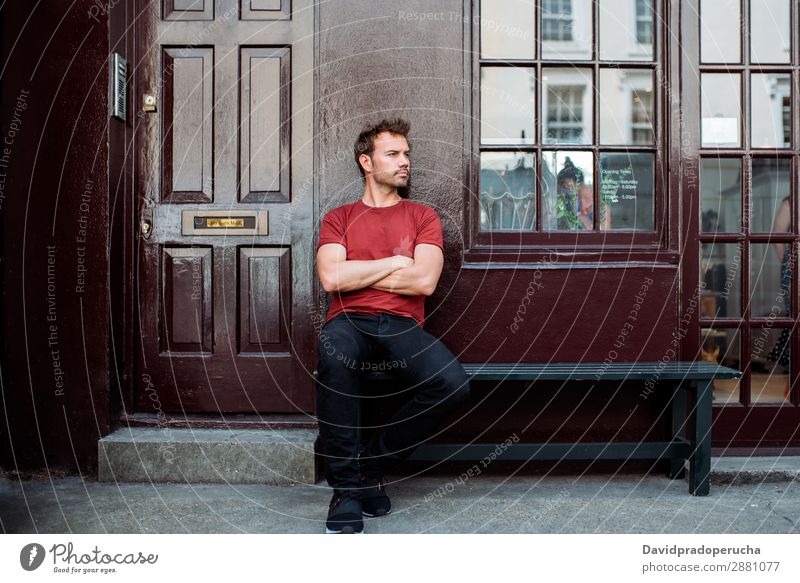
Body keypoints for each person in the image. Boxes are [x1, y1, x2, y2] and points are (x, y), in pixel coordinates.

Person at [315, 118, 470, 534]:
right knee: (333, 357)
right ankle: (346, 490)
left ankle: (370, 465)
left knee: (452, 384)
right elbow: (331, 279)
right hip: (348, 319)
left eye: (407, 154)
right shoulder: (338, 218)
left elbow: (425, 281)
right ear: (367, 161)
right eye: (394, 154)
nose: (405, 162)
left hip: (401, 323)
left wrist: (358, 272)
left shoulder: (422, 216)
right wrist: (395, 262)